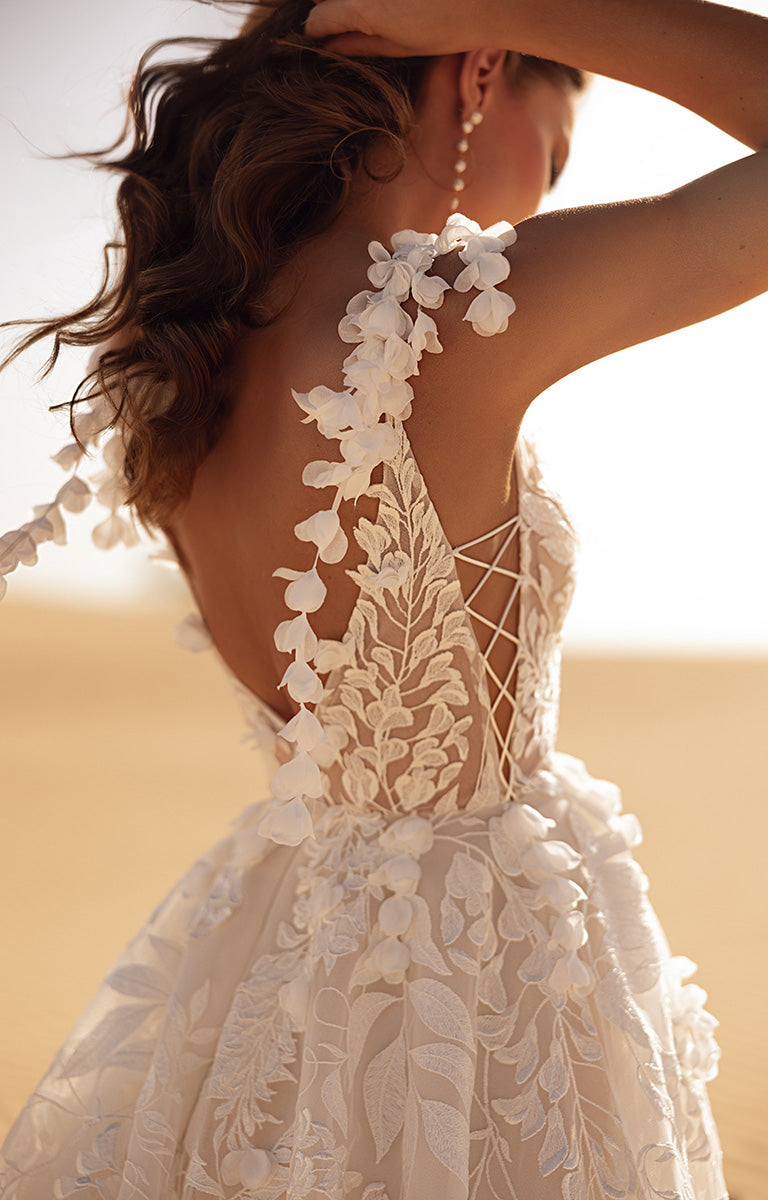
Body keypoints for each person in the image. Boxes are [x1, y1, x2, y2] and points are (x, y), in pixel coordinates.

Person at [1, 0, 766, 1195]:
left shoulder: (184, 373)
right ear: (481, 71)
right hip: (492, 972)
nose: (546, 188)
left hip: (281, 954)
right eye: (556, 146)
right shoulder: (448, 325)